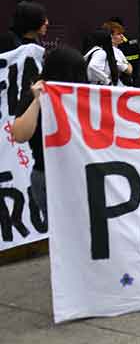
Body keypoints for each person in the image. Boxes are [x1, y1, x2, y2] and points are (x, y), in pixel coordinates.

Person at [12, 47, 87, 219]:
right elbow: (20, 135)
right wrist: (37, 100)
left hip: (81, 173)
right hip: (48, 176)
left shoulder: (84, 93)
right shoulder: (34, 95)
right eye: (76, 73)